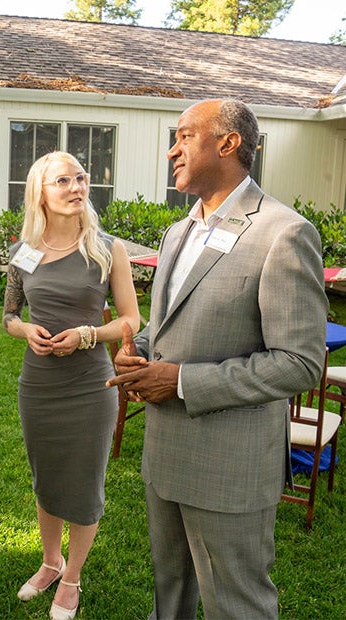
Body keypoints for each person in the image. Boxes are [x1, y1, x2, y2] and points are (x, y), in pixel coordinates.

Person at [107, 99, 328, 619]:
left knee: (237, 606)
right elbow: (166, 325)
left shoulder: (283, 232)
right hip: (165, 457)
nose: (171, 151)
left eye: (183, 137)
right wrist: (138, 354)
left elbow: (299, 363)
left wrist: (181, 381)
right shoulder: (178, 230)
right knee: (171, 598)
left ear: (228, 143)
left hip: (230, 468)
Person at [3, 151, 140, 620]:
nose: (76, 187)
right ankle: (49, 561)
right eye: (63, 180)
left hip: (90, 384)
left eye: (81, 178)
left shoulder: (107, 248)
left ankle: (72, 577)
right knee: (47, 477)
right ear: (40, 192)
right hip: (39, 384)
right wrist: (25, 332)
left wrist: (87, 334)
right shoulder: (24, 251)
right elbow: (8, 316)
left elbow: (131, 320)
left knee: (83, 483)